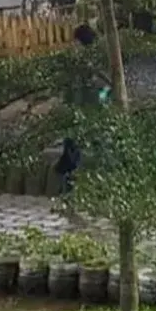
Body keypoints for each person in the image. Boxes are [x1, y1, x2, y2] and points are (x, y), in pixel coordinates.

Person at [55, 23, 104, 191]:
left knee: (74, 148)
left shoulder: (84, 63)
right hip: (84, 111)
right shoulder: (91, 61)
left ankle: (70, 182)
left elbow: (78, 90)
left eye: (74, 41)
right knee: (74, 147)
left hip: (82, 112)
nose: (72, 45)